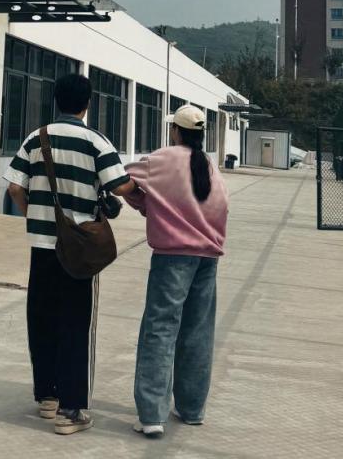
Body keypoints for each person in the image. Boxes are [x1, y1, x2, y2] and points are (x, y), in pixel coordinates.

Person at [5, 73, 136, 436]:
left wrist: (33, 214)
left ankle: (47, 397)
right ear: (87, 104)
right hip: (78, 249)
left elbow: (15, 187)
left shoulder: (36, 137)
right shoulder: (96, 141)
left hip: (42, 246)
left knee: (42, 319)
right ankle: (71, 410)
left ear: (56, 101)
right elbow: (119, 186)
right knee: (76, 323)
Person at [122, 104, 229, 438]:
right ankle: (191, 408)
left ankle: (152, 415)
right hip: (208, 258)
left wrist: (146, 204)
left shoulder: (162, 158)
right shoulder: (208, 165)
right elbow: (220, 206)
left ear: (176, 131)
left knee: (160, 329)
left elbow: (121, 180)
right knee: (197, 332)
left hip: (172, 258)